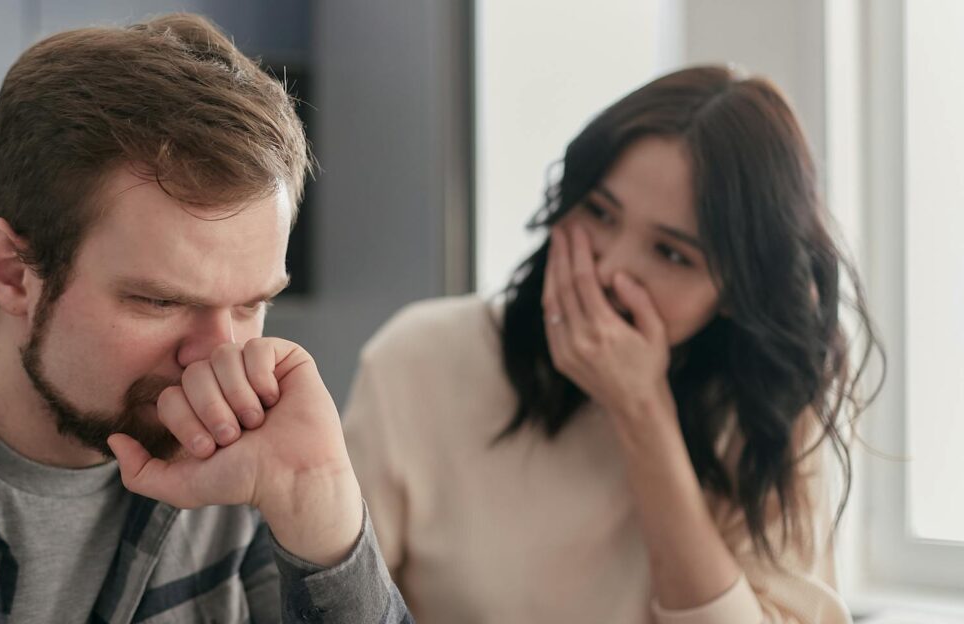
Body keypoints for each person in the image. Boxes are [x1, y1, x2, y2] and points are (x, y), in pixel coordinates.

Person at [0, 14, 409, 623]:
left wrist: (316, 505)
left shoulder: (256, 473)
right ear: (13, 272)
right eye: (160, 301)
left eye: (250, 304)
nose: (220, 356)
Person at [343, 66, 880, 623]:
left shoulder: (770, 418)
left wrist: (642, 413)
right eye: (599, 213)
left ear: (733, 291)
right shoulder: (419, 359)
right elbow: (335, 606)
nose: (610, 269)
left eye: (671, 254)